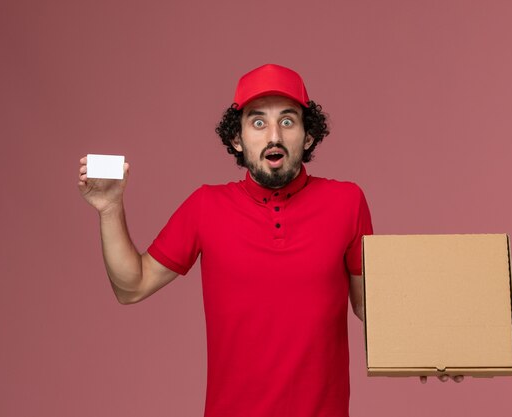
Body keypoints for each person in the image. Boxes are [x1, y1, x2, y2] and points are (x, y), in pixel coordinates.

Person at [78, 64, 458, 417]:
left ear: (308, 135)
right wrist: (110, 208)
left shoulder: (347, 201)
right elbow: (132, 286)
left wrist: (436, 349)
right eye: (258, 122)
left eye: (287, 121)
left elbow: (370, 307)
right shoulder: (205, 205)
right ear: (237, 139)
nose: (274, 136)